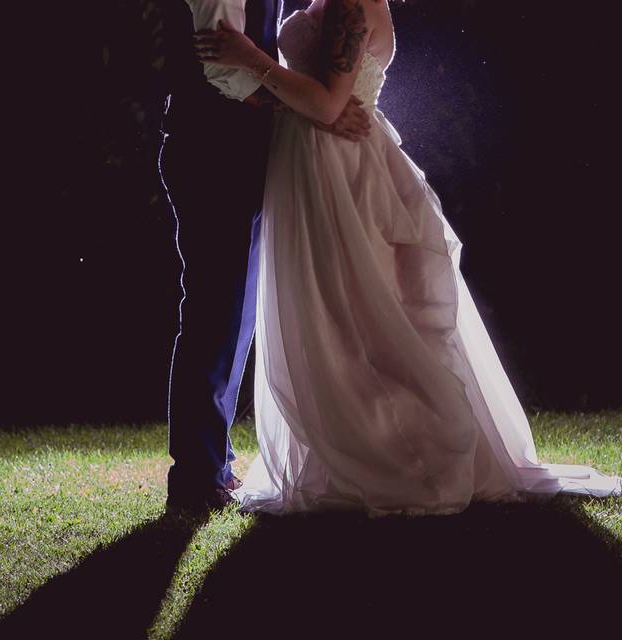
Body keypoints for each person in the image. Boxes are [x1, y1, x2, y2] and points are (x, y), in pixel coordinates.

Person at [194, 0, 622, 515]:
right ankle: (337, 458)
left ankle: (401, 455)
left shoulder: (348, 5)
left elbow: (330, 107)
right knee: (331, 316)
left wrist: (251, 57)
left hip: (338, 169)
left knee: (362, 316)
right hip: (308, 162)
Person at [160, 0, 373, 512]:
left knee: (234, 312)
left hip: (249, 152)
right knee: (216, 310)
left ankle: (214, 462)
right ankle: (195, 476)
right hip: (211, 149)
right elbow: (221, 69)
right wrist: (317, 108)